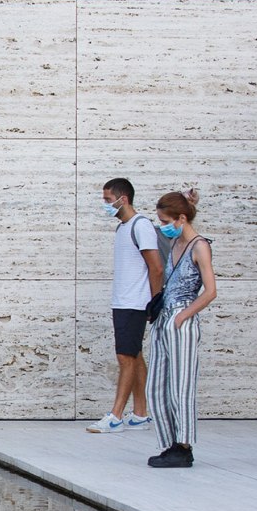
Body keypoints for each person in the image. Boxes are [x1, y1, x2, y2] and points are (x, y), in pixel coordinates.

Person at [145, 188, 217, 469]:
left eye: (166, 221)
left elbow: (210, 291)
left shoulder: (200, 246)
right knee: (157, 386)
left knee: (181, 385)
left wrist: (183, 316)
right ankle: (169, 442)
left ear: (181, 219)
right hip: (165, 317)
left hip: (181, 316)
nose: (163, 226)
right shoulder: (176, 244)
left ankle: (183, 445)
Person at [87, 178, 163, 434]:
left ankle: (116, 415)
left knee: (125, 357)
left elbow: (156, 266)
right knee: (135, 355)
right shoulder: (123, 228)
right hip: (122, 301)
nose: (105, 205)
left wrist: (155, 301)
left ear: (123, 199)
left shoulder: (140, 226)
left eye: (108, 200)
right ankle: (140, 414)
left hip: (135, 302)